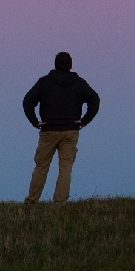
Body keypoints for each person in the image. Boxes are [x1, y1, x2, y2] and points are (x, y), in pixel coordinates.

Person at [22, 52, 100, 204]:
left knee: (41, 167)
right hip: (71, 131)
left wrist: (35, 122)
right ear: (70, 65)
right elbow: (95, 100)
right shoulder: (79, 83)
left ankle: (31, 202)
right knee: (65, 168)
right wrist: (84, 121)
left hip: (49, 130)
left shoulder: (44, 82)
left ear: (55, 64)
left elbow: (28, 101)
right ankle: (60, 203)